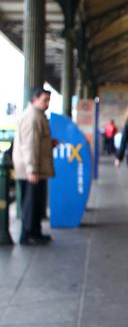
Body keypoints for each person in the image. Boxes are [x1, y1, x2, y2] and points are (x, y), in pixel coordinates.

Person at [12, 87, 56, 245]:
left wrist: (50, 144)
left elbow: (38, 143)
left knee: (36, 202)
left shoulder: (37, 115)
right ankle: (28, 234)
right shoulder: (32, 117)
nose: (47, 103)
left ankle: (35, 232)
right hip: (30, 169)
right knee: (31, 203)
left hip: (35, 168)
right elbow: (29, 146)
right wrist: (32, 170)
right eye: (45, 100)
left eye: (48, 100)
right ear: (34, 99)